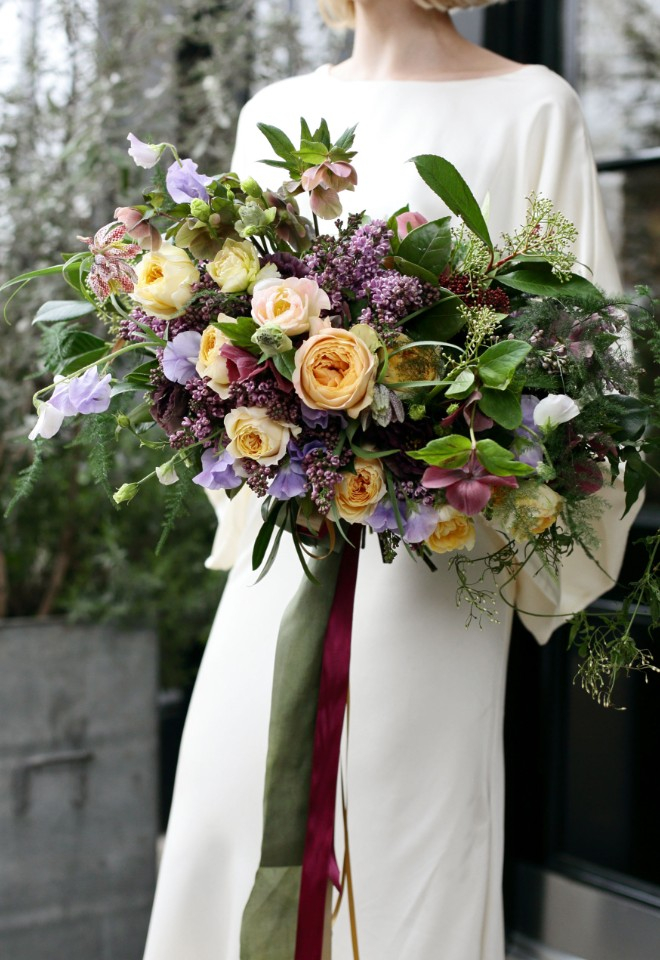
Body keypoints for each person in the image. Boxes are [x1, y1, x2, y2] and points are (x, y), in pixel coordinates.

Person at [143, 2, 637, 958]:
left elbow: (590, 361)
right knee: (234, 797)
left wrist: (445, 434)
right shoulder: (272, 111)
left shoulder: (535, 107)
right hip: (287, 550)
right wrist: (264, 422)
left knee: (413, 838)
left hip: (442, 551)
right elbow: (221, 330)